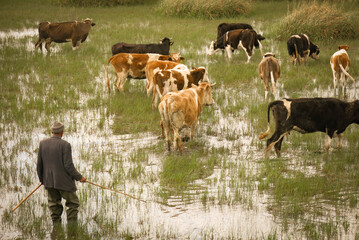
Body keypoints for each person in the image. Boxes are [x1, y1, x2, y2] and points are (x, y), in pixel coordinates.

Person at [37, 121, 86, 239]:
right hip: (64, 183)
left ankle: (56, 228)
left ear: (52, 131)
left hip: (49, 182)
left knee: (54, 205)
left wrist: (42, 180)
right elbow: (68, 166)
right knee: (73, 204)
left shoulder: (43, 143)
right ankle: (72, 230)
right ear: (62, 132)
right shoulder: (65, 145)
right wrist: (80, 177)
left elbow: (39, 165)